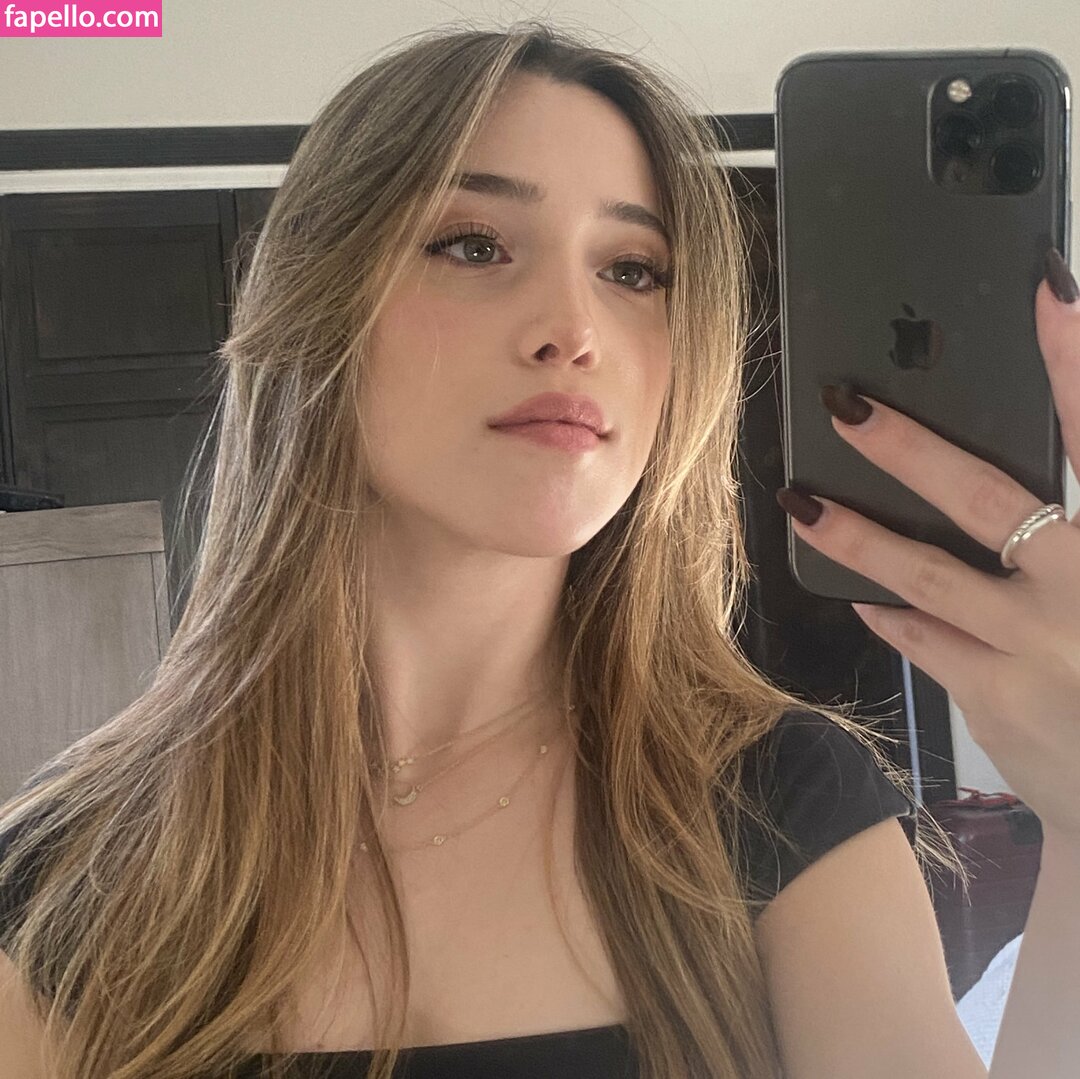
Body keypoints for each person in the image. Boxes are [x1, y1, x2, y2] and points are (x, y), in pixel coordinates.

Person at [2, 21, 1079, 1079]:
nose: (575, 329)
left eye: (633, 269)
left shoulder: (780, 800)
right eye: (474, 246)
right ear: (315, 303)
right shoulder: (64, 871)